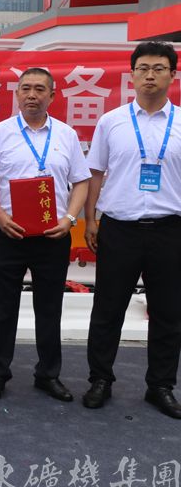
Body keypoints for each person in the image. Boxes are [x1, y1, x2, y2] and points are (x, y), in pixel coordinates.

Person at [82, 42, 181, 419]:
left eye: (159, 68)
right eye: (143, 68)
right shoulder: (112, 122)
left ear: (172, 74)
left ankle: (161, 386)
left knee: (169, 313)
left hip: (170, 230)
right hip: (119, 229)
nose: (150, 75)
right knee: (108, 309)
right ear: (132, 74)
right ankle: (100, 380)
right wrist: (90, 220)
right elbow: (95, 173)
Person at [0, 68, 89, 402]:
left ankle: (48, 374)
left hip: (53, 236)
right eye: (25, 88)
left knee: (49, 308)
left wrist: (70, 219)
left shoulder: (66, 135)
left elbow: (81, 181)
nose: (32, 95)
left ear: (52, 95)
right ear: (16, 93)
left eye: (40, 89)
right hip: (9, 234)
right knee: (2, 308)